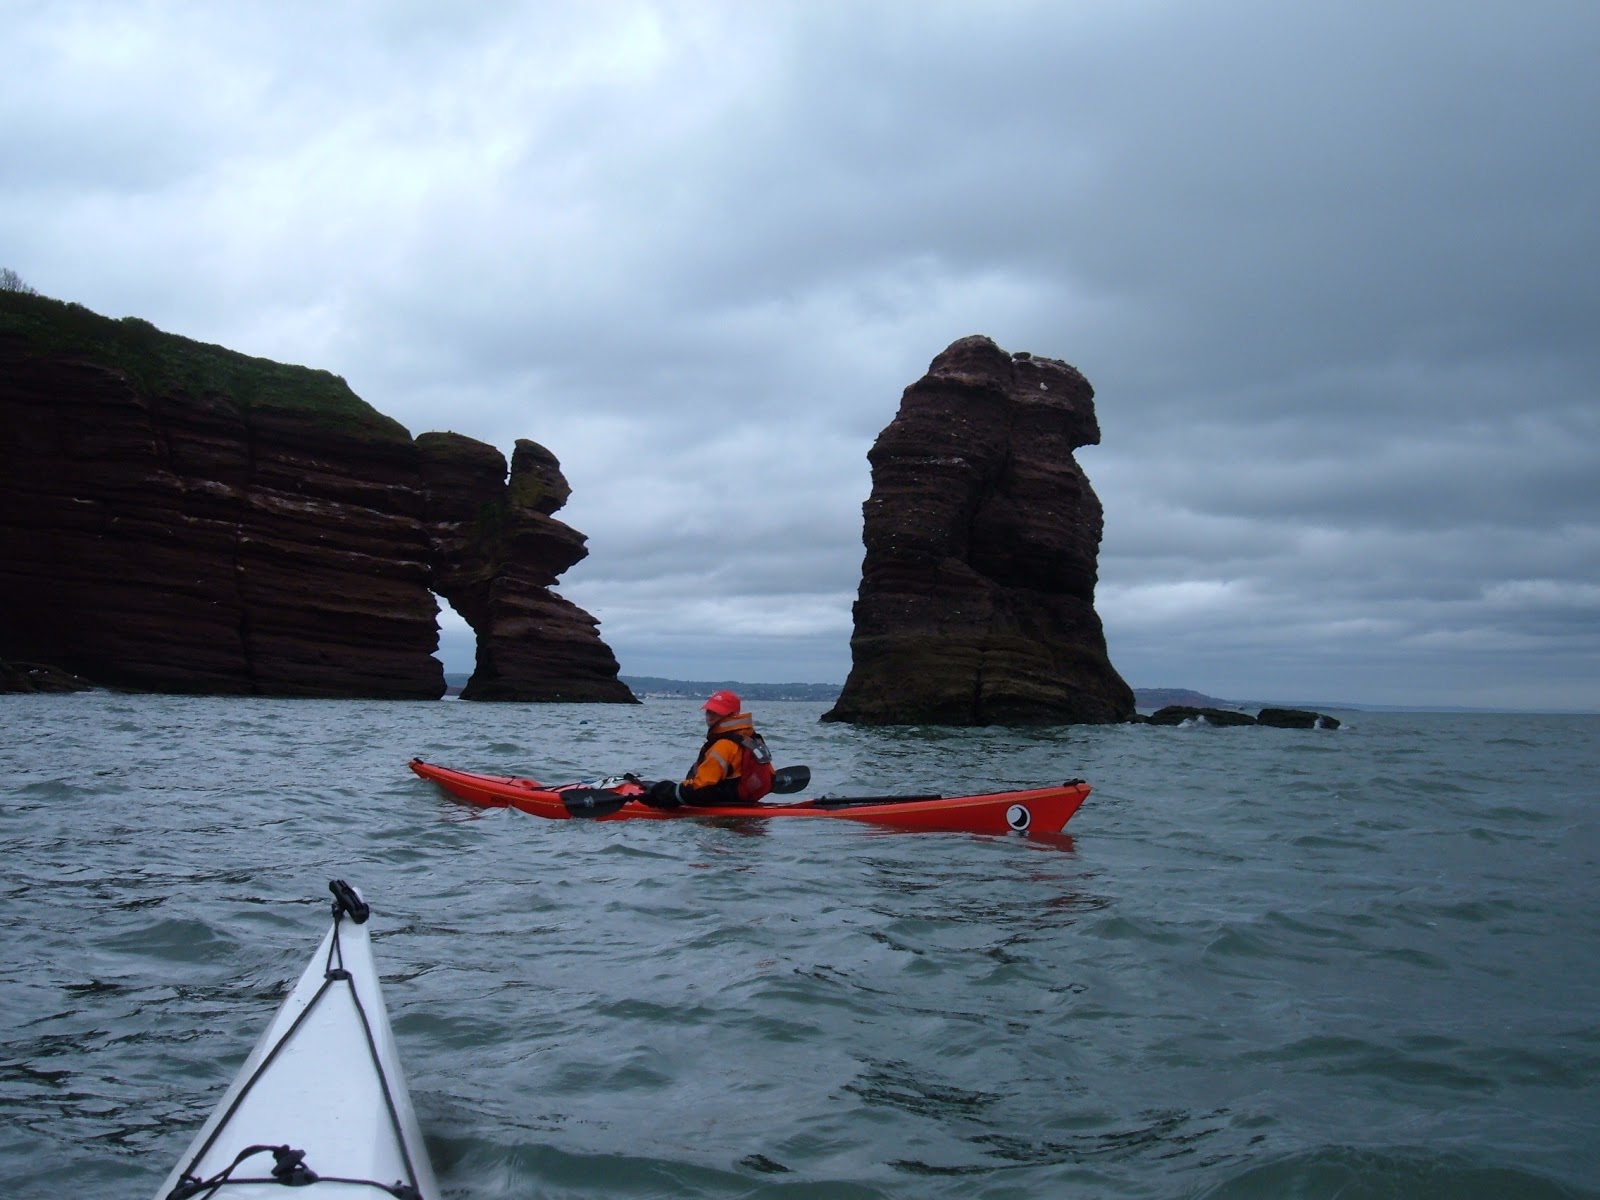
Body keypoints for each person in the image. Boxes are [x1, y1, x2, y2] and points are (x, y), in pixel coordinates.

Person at [643, 690, 775, 808]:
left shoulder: (723, 744)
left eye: (717, 712)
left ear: (733, 714)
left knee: (665, 789)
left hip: (723, 801)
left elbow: (702, 787)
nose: (710, 716)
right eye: (709, 711)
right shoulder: (750, 737)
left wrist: (670, 794)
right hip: (742, 799)